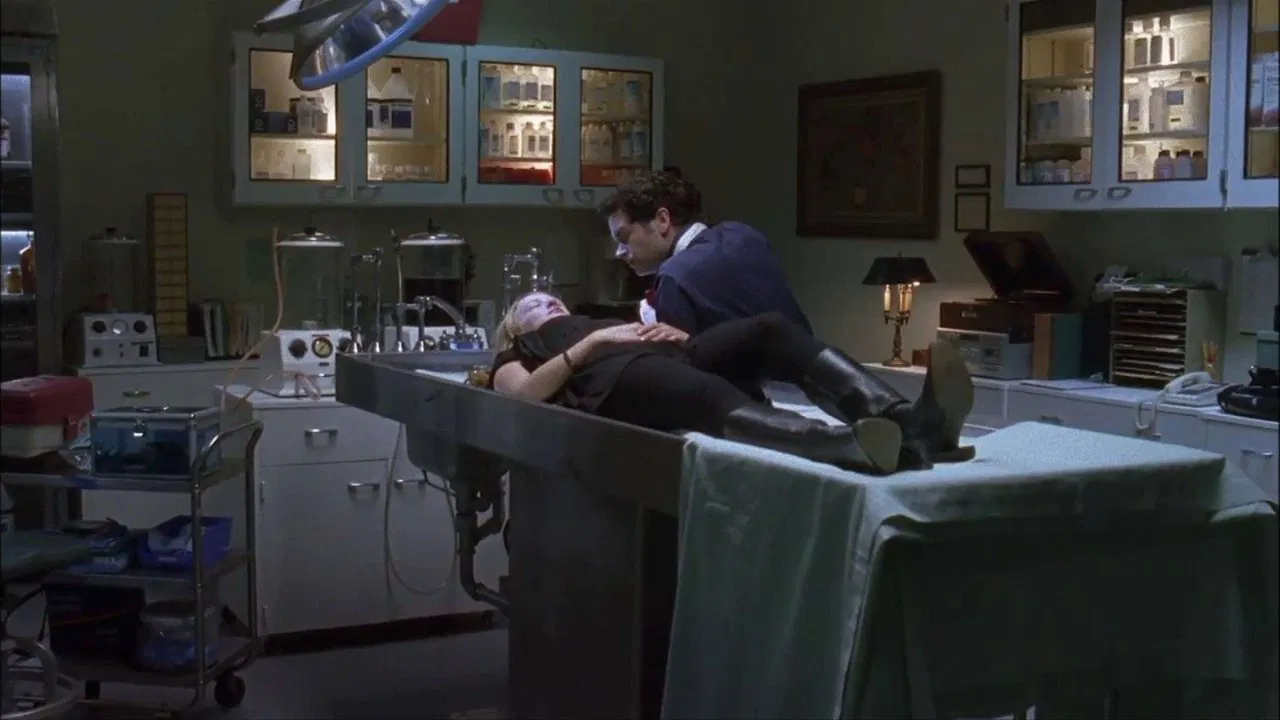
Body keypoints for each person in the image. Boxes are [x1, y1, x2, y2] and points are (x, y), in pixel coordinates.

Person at [490, 292, 976, 475]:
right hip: (615, 377)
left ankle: (907, 421)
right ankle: (843, 444)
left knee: (768, 329)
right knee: (699, 392)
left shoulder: (601, 318)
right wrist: (589, 346)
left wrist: (672, 336)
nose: (546, 302)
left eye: (552, 298)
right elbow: (522, 397)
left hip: (665, 356)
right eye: (531, 304)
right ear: (514, 328)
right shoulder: (518, 352)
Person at [597, 170, 809, 344]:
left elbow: (682, 372)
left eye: (624, 237)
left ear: (662, 220)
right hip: (813, 372)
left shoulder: (675, 277)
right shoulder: (743, 234)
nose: (619, 252)